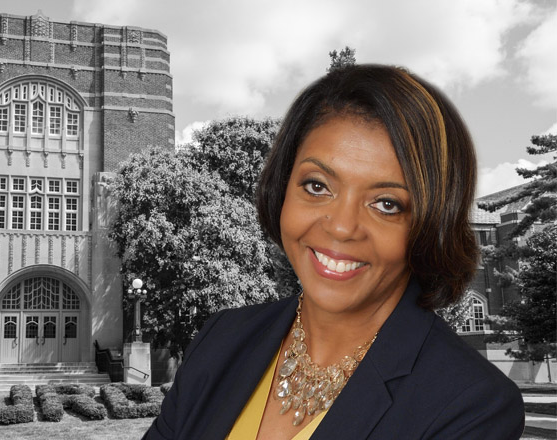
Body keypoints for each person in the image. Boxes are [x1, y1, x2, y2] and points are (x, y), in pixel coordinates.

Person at [143, 65, 525, 439]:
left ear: (430, 226)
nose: (341, 227)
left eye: (387, 204)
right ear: (283, 186)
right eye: (316, 186)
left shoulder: (473, 406)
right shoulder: (222, 338)